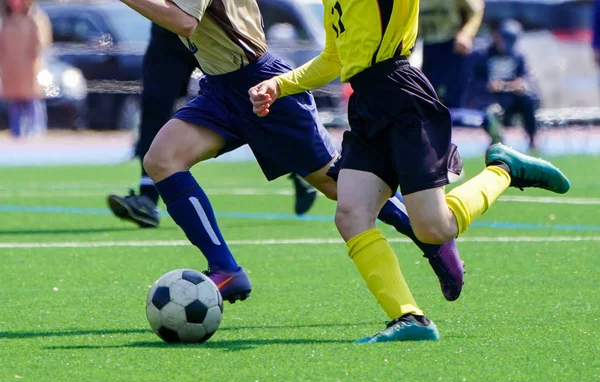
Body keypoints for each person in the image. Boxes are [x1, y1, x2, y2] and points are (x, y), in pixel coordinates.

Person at [249, 1, 570, 343]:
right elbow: (334, 58)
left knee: (434, 228)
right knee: (351, 215)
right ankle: (409, 317)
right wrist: (280, 85)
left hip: (402, 96)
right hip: (366, 105)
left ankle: (506, 168)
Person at [118, 0, 465, 310]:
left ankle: (430, 238)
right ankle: (226, 269)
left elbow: (184, 22)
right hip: (221, 89)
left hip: (261, 83)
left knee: (337, 186)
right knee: (161, 160)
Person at [106, 23, 318, 228]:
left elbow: (188, 20)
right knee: (155, 104)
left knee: (250, 100)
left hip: (214, 29)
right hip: (169, 30)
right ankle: (147, 197)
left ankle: (299, 162)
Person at [468, 20, 540, 151]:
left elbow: (527, 77)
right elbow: (471, 81)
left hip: (512, 98)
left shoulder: (518, 57)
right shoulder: (482, 55)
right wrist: (487, 85)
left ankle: (532, 139)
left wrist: (520, 84)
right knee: (492, 111)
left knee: (528, 100)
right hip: (490, 99)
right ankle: (496, 139)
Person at [419, 0, 484, 108]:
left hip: (453, 44)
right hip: (426, 44)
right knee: (427, 95)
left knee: (453, 97)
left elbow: (477, 9)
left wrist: (466, 34)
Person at [0, 0, 47, 137]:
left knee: (32, 101)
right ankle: (16, 133)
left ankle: (35, 131)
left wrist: (33, 59)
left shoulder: (34, 18)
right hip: (11, 69)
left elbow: (40, 43)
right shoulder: (6, 20)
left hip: (29, 69)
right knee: (14, 103)